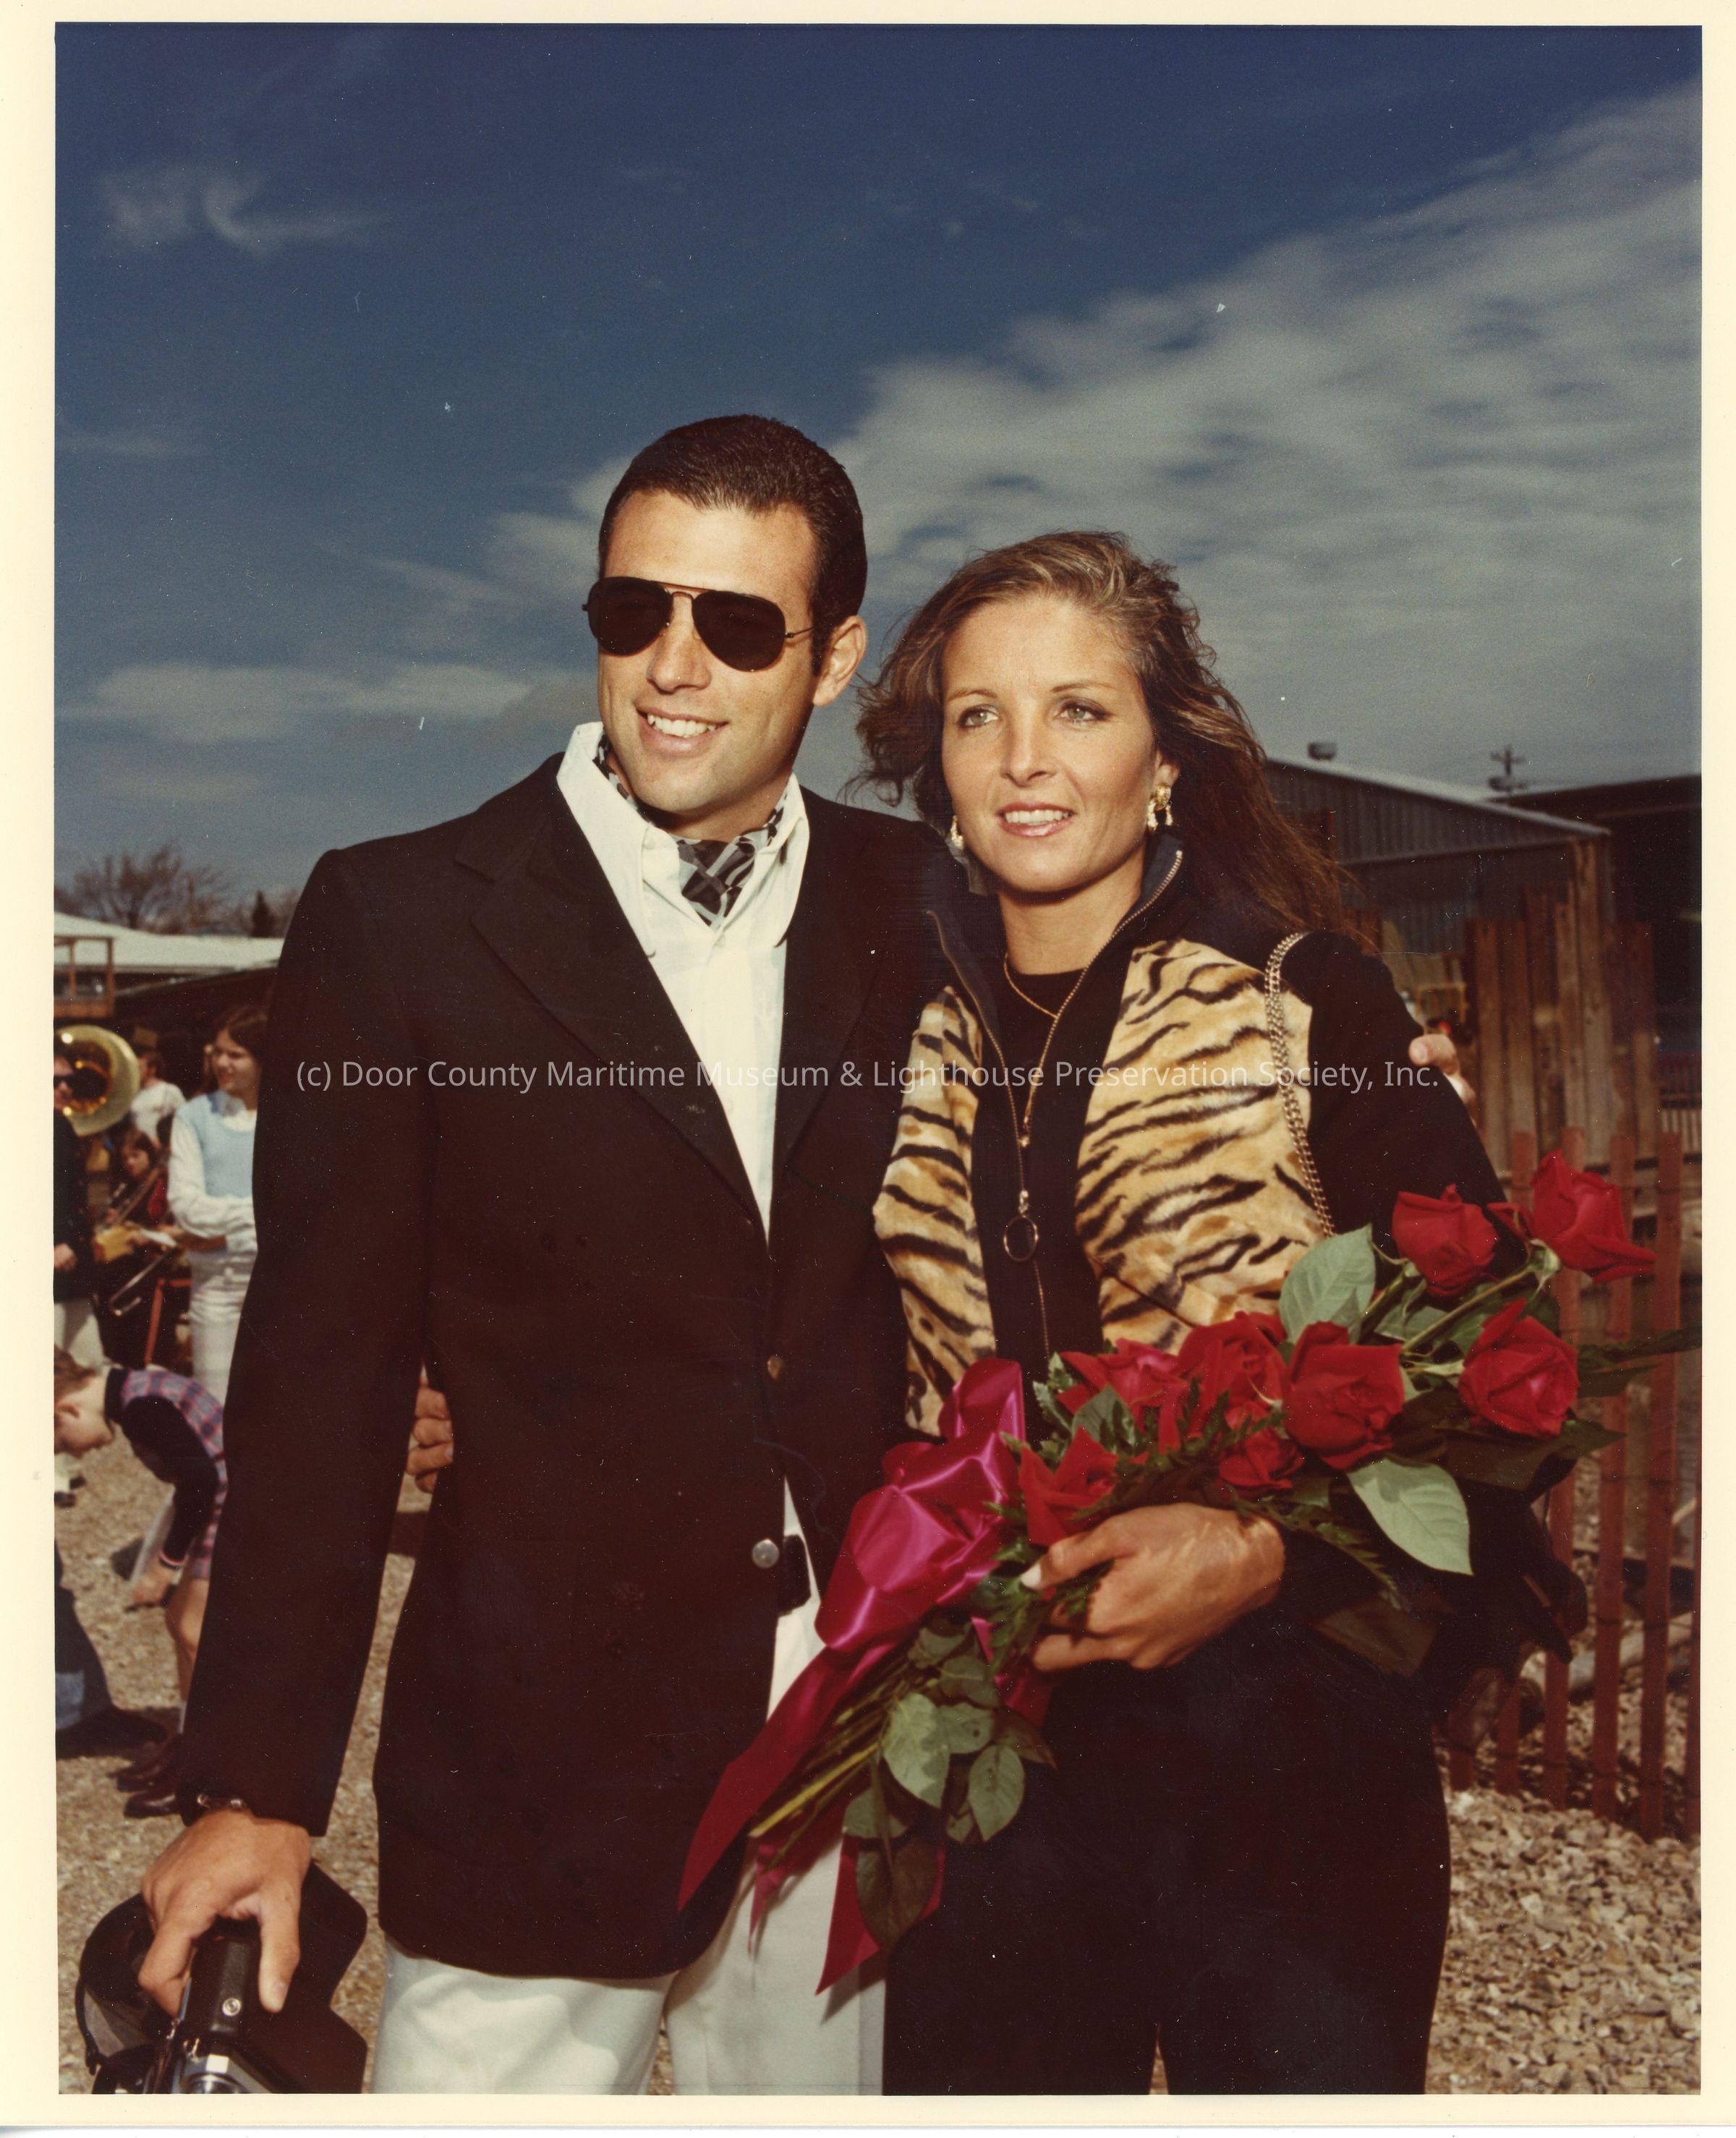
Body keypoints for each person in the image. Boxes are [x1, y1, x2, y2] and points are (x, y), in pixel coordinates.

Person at [137, 415, 950, 2094]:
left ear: (833, 657)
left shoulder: (920, 901)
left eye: (739, 624)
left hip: (856, 1745)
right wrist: (260, 1785)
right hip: (536, 1756)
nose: (673, 665)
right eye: (632, 609)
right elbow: (320, 1375)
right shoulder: (400, 918)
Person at [849, 532, 1575, 2095]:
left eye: (1079, 710)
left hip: (1288, 1761)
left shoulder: (1308, 999)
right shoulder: (889, 1034)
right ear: (939, 768)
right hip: (994, 1763)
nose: (1025, 758)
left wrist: (1259, 1554)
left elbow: (1508, 1371)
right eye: (978, 716)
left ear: (1165, 759)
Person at [54, 1347, 226, 1814]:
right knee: (179, 1622)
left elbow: (202, 1482)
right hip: (223, 1504)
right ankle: (188, 1744)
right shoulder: (135, 1392)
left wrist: (165, 1564)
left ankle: (211, 1768)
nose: (76, 1453)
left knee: (194, 1630)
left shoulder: (141, 1408)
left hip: (236, 1506)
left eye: (64, 1443)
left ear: (67, 1410)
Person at [166, 1007, 265, 1403]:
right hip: (216, 1288)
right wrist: (261, 1219)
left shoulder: (292, 1117)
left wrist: (228, 1233)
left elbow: (306, 1208)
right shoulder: (192, 1117)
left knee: (279, 1403)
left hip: (280, 1280)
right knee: (218, 1403)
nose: (222, 1063)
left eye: (236, 1055)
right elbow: (187, 1207)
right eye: (217, 1052)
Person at [129, 1047, 187, 1146]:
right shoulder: (134, 1094)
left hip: (159, 1149)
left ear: (152, 1070)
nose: (136, 1072)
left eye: (140, 1068)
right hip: (137, 1148)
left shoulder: (169, 1090)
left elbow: (186, 1119)